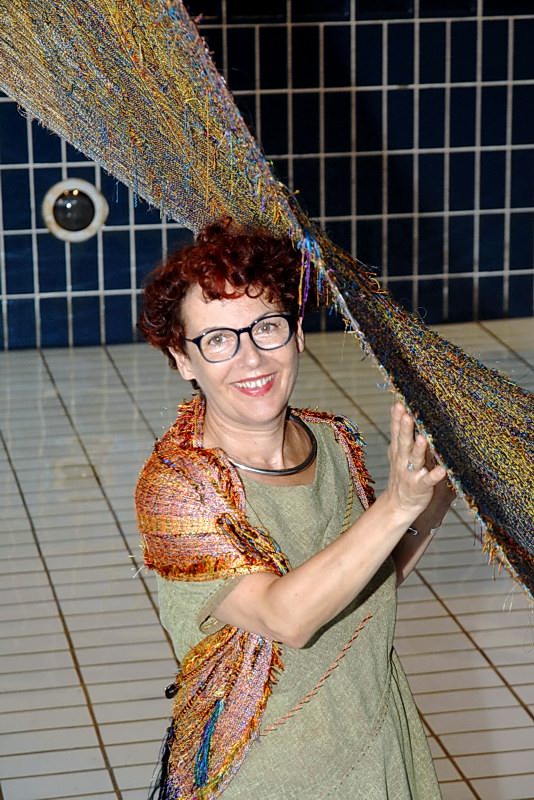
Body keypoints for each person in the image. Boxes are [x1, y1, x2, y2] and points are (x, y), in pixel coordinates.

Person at [135, 217, 454, 800]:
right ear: (183, 359)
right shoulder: (178, 488)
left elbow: (366, 579)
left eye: (267, 327)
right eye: (218, 339)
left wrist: (431, 500)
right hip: (268, 770)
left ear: (298, 333)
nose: (251, 359)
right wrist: (396, 505)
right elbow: (286, 618)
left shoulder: (330, 440)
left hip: (376, 734)